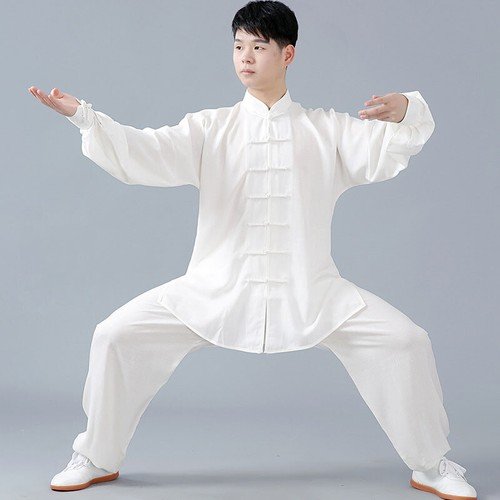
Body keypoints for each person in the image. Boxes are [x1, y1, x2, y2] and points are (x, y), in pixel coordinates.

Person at [29, 1, 477, 497]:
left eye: (259, 46)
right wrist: (86, 119)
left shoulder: (326, 130)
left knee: (405, 342)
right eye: (239, 46)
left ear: (288, 54)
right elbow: (143, 151)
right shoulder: (209, 129)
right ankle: (96, 456)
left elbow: (388, 149)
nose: (245, 57)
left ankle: (431, 464)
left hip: (311, 290)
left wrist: (408, 109)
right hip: (213, 288)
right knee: (115, 335)